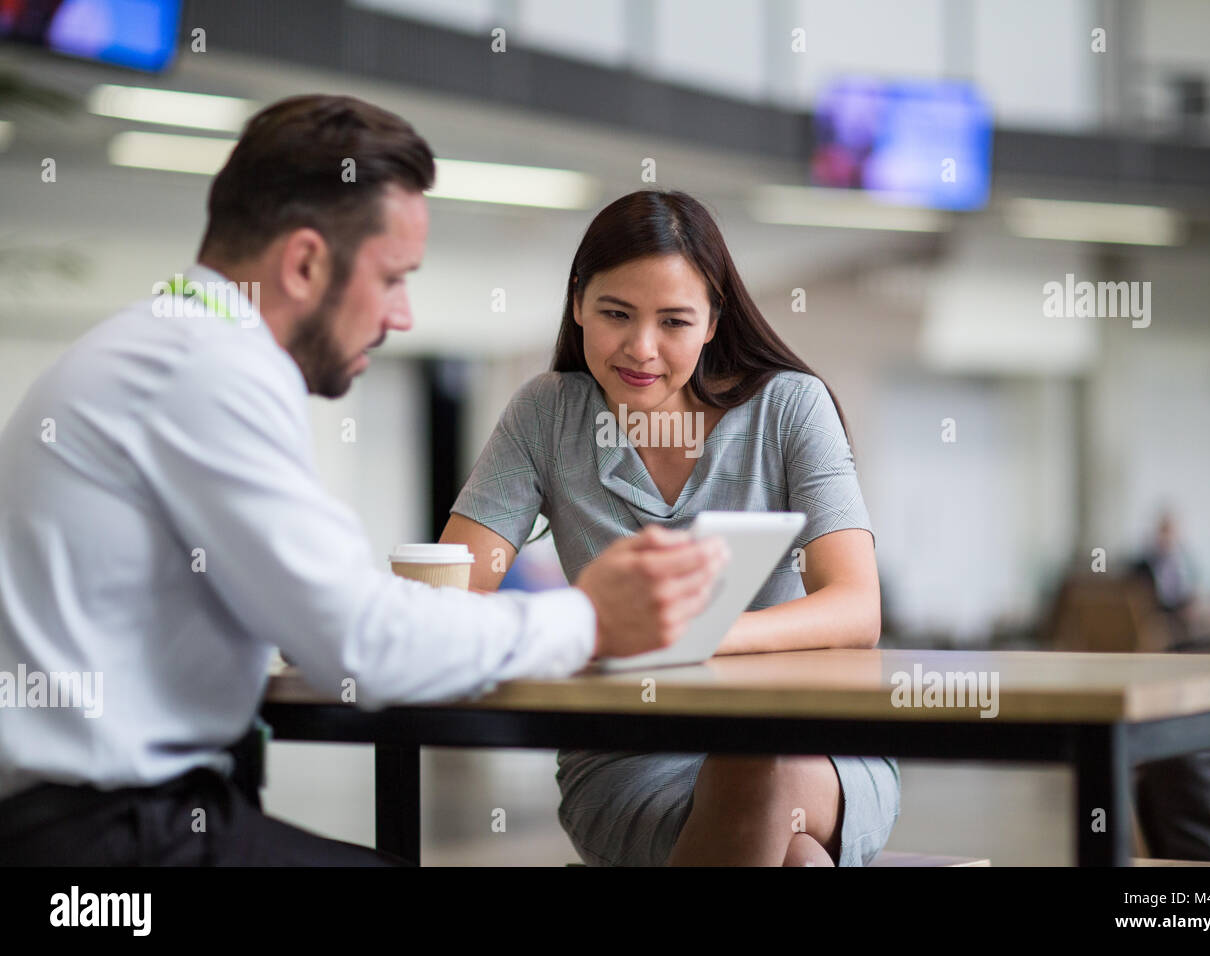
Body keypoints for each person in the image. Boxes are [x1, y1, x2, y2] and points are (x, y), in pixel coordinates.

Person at [0, 96, 726, 866]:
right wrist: (588, 619)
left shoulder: (176, 346)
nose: (403, 315)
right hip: (95, 859)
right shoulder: (204, 371)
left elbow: (328, 617)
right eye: (392, 278)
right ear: (306, 263)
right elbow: (361, 643)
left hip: (119, 826)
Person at [441, 190, 900, 866]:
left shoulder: (788, 408)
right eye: (616, 314)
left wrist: (698, 637)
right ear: (577, 304)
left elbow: (858, 608)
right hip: (630, 751)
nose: (641, 349)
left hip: (804, 741)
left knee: (756, 751)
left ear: (713, 321)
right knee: (796, 857)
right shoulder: (547, 414)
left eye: (674, 322)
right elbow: (454, 592)